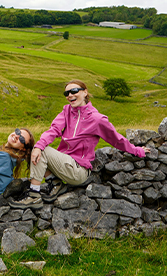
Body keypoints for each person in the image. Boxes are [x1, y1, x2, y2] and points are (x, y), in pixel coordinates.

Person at [9, 79, 150, 209]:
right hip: (65, 165)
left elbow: (116, 139)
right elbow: (53, 130)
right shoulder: (66, 111)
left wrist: (138, 151)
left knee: (42, 150)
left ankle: (33, 195)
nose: (70, 95)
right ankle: (55, 182)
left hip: (79, 170)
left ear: (85, 92)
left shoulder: (97, 119)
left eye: (74, 91)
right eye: (67, 93)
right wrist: (39, 146)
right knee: (36, 149)